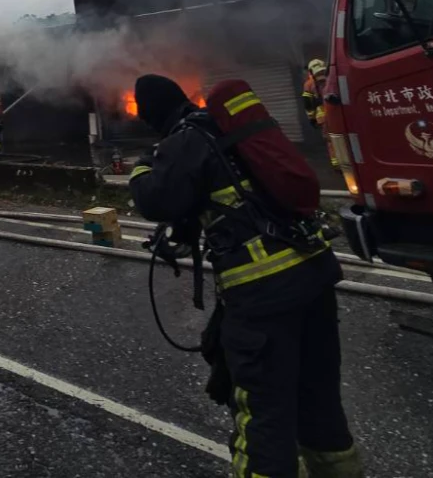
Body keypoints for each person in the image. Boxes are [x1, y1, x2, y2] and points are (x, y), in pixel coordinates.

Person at [129, 74, 364, 478]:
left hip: (263, 296)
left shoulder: (183, 142)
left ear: (151, 115)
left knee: (262, 418)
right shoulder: (226, 128)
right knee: (319, 402)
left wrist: (141, 168)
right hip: (313, 277)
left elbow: (156, 198)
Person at [301, 59, 339, 171]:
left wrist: (311, 118)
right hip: (337, 113)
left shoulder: (309, 84)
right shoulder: (332, 78)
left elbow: (308, 103)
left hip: (323, 117)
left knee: (331, 140)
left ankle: (337, 164)